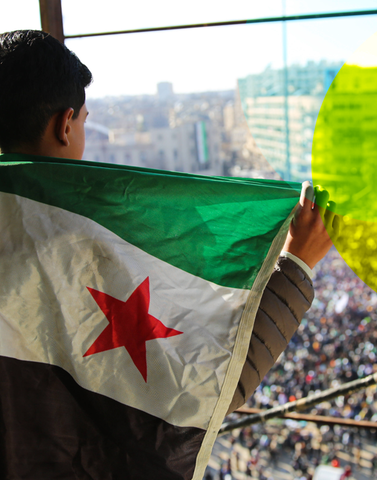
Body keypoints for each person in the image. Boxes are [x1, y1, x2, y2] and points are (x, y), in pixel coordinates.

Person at [0, 30, 339, 477]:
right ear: (65, 125)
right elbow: (204, 385)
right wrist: (295, 264)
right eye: (84, 119)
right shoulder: (80, 247)